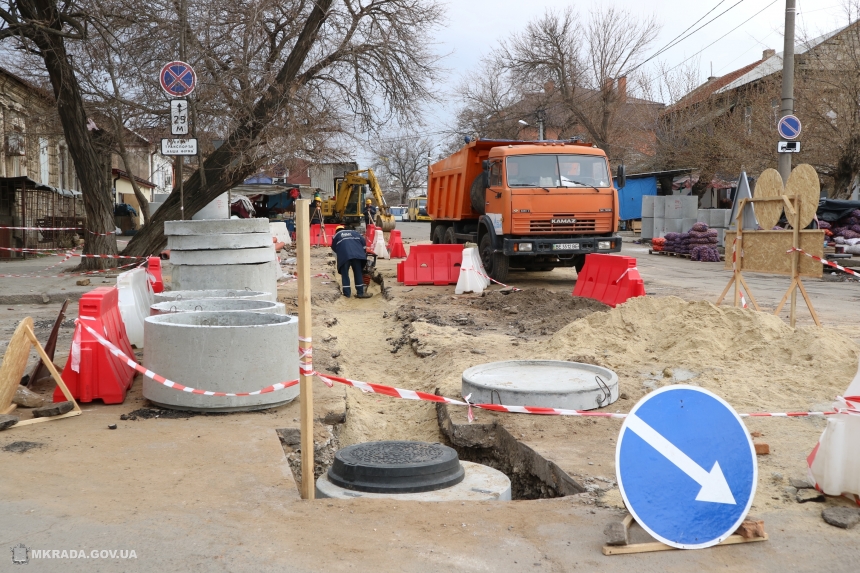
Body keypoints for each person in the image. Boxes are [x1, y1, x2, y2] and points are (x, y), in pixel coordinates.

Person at [331, 225, 372, 298]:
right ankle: (360, 293)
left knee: (345, 274)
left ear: (336, 231)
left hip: (344, 256)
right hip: (358, 255)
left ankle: (347, 294)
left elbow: (334, 248)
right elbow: (363, 245)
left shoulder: (337, 235)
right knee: (358, 273)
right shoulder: (356, 233)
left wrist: (341, 252)